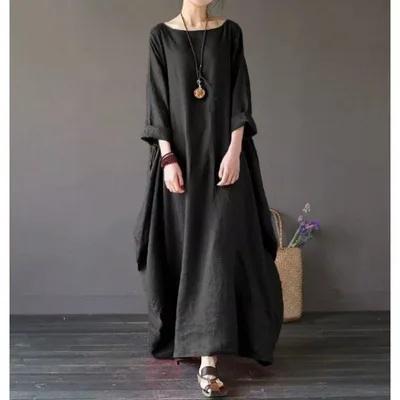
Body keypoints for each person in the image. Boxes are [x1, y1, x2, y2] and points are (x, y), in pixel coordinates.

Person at [134, 0, 284, 396]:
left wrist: (235, 151)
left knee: (217, 251)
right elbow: (158, 102)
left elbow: (239, 97)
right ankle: (192, 338)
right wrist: (167, 158)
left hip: (224, 159)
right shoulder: (161, 36)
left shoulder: (230, 32)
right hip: (181, 161)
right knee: (187, 249)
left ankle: (208, 360)